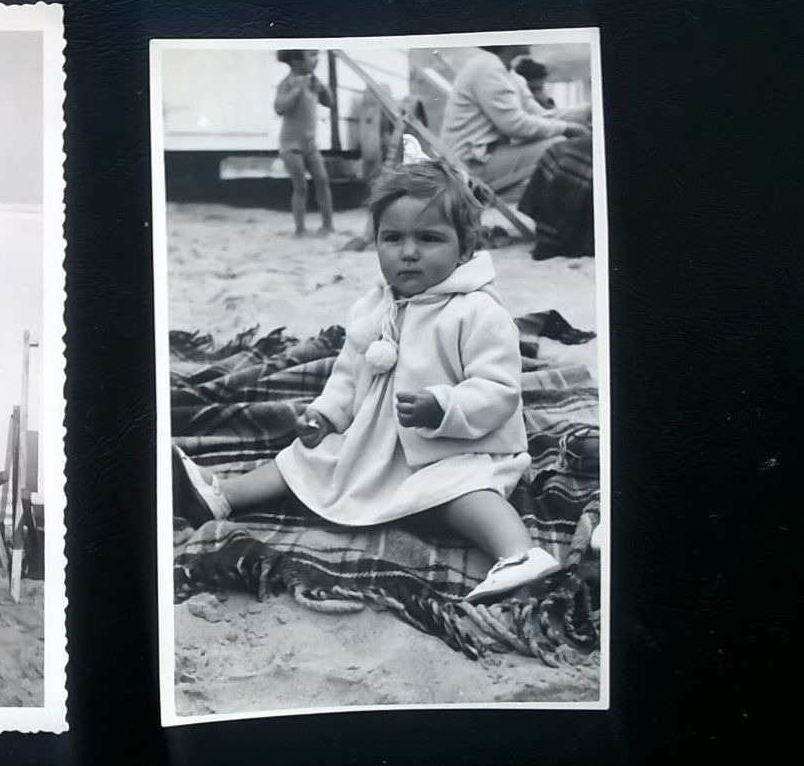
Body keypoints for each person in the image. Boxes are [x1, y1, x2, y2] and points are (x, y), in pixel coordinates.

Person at [172, 157, 561, 601]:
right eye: (393, 238)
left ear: (465, 247)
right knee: (306, 460)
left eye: (429, 238)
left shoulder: (477, 312)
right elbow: (348, 373)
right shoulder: (374, 306)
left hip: (456, 445)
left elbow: (499, 390)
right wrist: (325, 415)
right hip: (378, 439)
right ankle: (223, 495)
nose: (408, 252)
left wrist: (443, 405)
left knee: (464, 492)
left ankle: (518, 554)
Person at [438, 45, 589, 205]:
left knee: (564, 146)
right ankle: (551, 217)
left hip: (484, 158)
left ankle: (551, 215)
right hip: (465, 166)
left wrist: (587, 112)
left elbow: (541, 115)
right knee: (559, 147)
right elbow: (515, 125)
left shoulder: (510, 75)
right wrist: (566, 128)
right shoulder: (486, 67)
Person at [273, 49, 335, 236]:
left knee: (323, 181)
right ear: (295, 60)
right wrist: (297, 90)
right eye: (311, 55)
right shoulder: (287, 83)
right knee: (301, 186)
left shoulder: (313, 81)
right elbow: (279, 108)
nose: (316, 60)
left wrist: (323, 89)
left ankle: (328, 225)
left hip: (310, 145)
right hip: (291, 145)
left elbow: (329, 102)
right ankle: (300, 229)